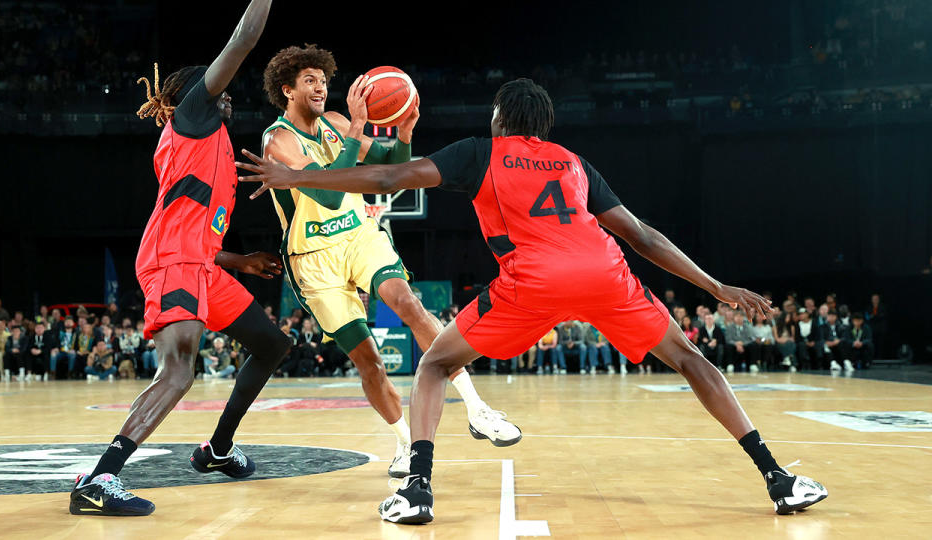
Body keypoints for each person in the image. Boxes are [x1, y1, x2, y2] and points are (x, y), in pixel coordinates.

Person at [235, 77, 828, 522]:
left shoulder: (480, 152)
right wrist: (717, 287)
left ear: (500, 117)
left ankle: (416, 488)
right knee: (693, 361)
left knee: (437, 362)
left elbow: (389, 179)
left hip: (533, 281)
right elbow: (643, 236)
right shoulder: (574, 162)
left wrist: (299, 178)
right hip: (604, 272)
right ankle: (778, 478)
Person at [257, 43, 519, 476]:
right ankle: (404, 444)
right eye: (310, 81)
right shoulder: (278, 139)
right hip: (312, 256)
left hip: (359, 233)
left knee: (408, 303)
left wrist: (404, 134)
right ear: (287, 90)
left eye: (323, 80)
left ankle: (477, 408)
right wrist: (359, 127)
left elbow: (390, 167)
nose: (321, 88)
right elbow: (325, 191)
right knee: (369, 360)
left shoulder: (337, 123)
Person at [69, 0, 287, 518]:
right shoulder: (194, 118)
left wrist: (238, 260)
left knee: (272, 344)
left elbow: (198, 229)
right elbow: (244, 38)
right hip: (174, 262)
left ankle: (217, 451)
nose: (229, 96)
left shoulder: (209, 145)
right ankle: (100, 478)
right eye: (222, 90)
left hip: (203, 264)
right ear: (198, 94)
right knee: (178, 372)